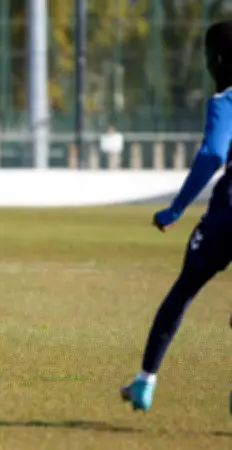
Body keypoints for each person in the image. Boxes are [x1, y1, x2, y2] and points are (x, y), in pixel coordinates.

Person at [121, 20, 232, 413]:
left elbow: (214, 154)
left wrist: (176, 208)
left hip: (227, 214)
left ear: (217, 58)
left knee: (184, 289)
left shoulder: (225, 102)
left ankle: (145, 381)